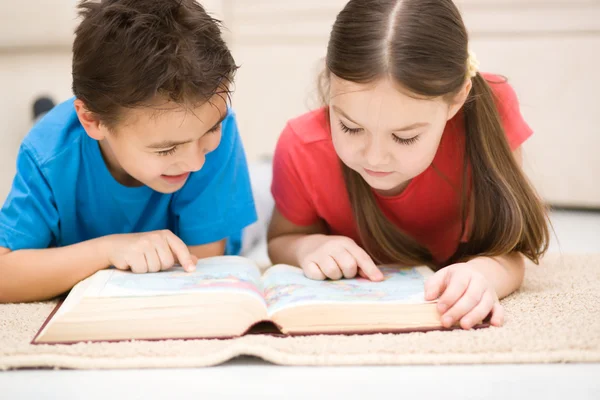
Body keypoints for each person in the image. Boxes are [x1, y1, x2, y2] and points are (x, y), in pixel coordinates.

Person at [267, 0, 549, 330]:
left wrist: (486, 274)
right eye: (351, 128)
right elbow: (280, 241)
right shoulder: (302, 146)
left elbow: (511, 248)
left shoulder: (491, 110)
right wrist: (308, 247)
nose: (374, 158)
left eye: (404, 137)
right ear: (330, 85)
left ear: (456, 99)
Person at [0, 0, 256, 303]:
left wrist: (205, 136)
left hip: (247, 213)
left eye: (211, 129)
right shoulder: (46, 153)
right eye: (167, 148)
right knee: (52, 136)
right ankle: (43, 114)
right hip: (64, 142)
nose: (197, 161)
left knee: (265, 190)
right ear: (92, 121)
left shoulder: (213, 129)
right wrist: (107, 249)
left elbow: (199, 267)